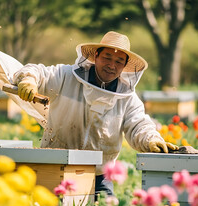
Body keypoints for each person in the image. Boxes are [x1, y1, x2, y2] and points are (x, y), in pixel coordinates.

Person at [14, 31, 178, 196]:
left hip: (99, 176)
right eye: (107, 58)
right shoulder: (66, 76)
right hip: (55, 165)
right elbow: (38, 71)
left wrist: (151, 139)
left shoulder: (127, 98)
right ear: (96, 56)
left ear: (125, 66)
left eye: (119, 61)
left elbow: (139, 125)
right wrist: (28, 79)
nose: (112, 65)